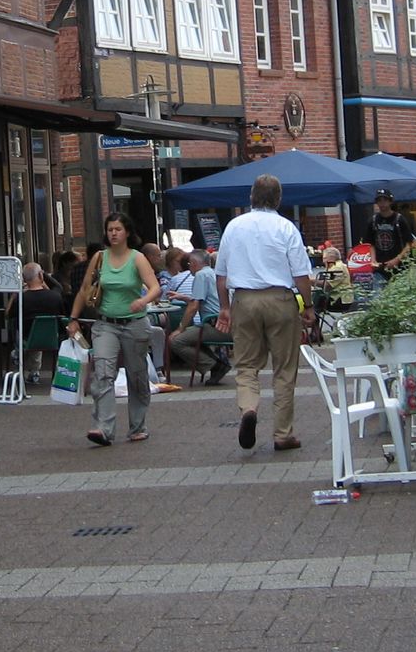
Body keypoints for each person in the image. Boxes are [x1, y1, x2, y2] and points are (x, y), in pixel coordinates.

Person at [213, 174, 315, 453]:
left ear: (251, 197)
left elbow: (220, 275)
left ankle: (249, 408)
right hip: (280, 299)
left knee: (246, 366)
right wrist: (308, 306)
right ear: (279, 199)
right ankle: (283, 434)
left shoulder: (234, 227)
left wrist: (224, 307)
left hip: (244, 300)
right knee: (284, 369)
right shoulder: (286, 227)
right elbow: (301, 274)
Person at [67, 213, 161, 445]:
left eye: (118, 229)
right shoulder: (99, 258)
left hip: (135, 324)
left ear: (127, 232)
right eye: (110, 229)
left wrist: (143, 300)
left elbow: (155, 287)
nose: (114, 233)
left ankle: (138, 426)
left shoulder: (137, 258)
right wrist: (73, 318)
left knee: (137, 376)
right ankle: (103, 428)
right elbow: (84, 290)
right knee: (104, 374)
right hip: (106, 324)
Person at [167, 248, 225, 383]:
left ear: (193, 263)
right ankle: (217, 363)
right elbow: (204, 300)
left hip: (215, 325)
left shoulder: (200, 276)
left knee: (176, 340)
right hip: (224, 323)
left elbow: (193, 307)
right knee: (192, 336)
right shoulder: (212, 273)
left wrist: (180, 329)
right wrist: (184, 297)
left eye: (189, 264)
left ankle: (215, 365)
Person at [367, 190, 416, 281]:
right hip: (380, 268)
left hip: (399, 268)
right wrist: (373, 260)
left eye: (385, 200)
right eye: (379, 200)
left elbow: (409, 244)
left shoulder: (399, 220)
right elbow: (371, 243)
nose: (382, 203)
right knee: (378, 294)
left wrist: (397, 260)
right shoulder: (373, 220)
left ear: (390, 201)